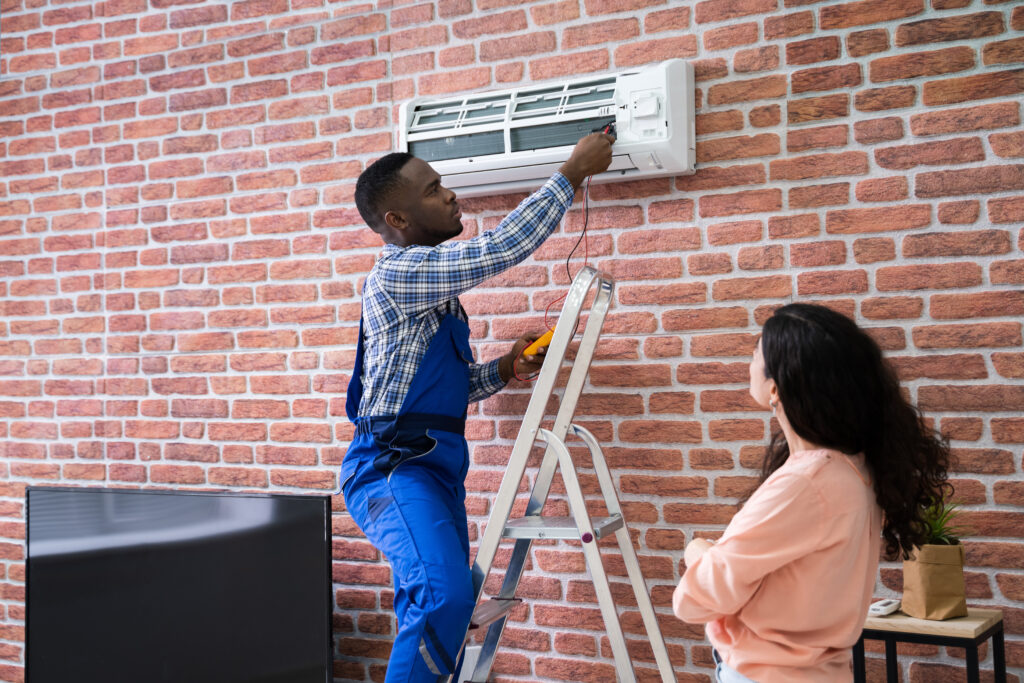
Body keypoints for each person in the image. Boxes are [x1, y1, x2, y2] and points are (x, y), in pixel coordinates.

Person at [342, 132, 615, 683]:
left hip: (436, 468)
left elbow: (444, 393)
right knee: (443, 597)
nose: (449, 195)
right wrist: (571, 174)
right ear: (397, 218)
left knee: (442, 602)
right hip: (391, 468)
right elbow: (497, 250)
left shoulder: (438, 299)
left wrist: (504, 369)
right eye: (432, 189)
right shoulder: (399, 275)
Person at [673, 303, 951, 683]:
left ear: (775, 387)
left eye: (757, 351)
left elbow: (700, 598)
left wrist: (698, 551)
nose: (750, 359)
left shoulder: (805, 484)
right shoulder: (856, 469)